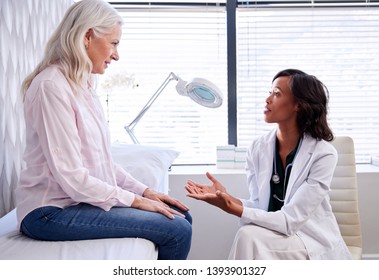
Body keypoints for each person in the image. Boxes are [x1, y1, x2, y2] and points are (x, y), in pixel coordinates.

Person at [16, 0, 192, 260]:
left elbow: (102, 162)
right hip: (48, 212)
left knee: (181, 215)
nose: (116, 55)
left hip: (74, 202)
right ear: (87, 36)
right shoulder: (51, 87)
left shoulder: (83, 85)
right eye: (114, 43)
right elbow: (73, 177)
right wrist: (134, 201)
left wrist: (145, 192)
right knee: (176, 230)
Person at [185, 69, 352, 260]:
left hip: (308, 240)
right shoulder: (257, 148)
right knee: (249, 236)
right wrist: (225, 198)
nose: (267, 99)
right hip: (273, 235)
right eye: (270, 92)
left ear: (298, 105)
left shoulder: (323, 154)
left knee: (248, 236)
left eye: (277, 94)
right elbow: (259, 205)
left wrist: (231, 206)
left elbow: (290, 220)